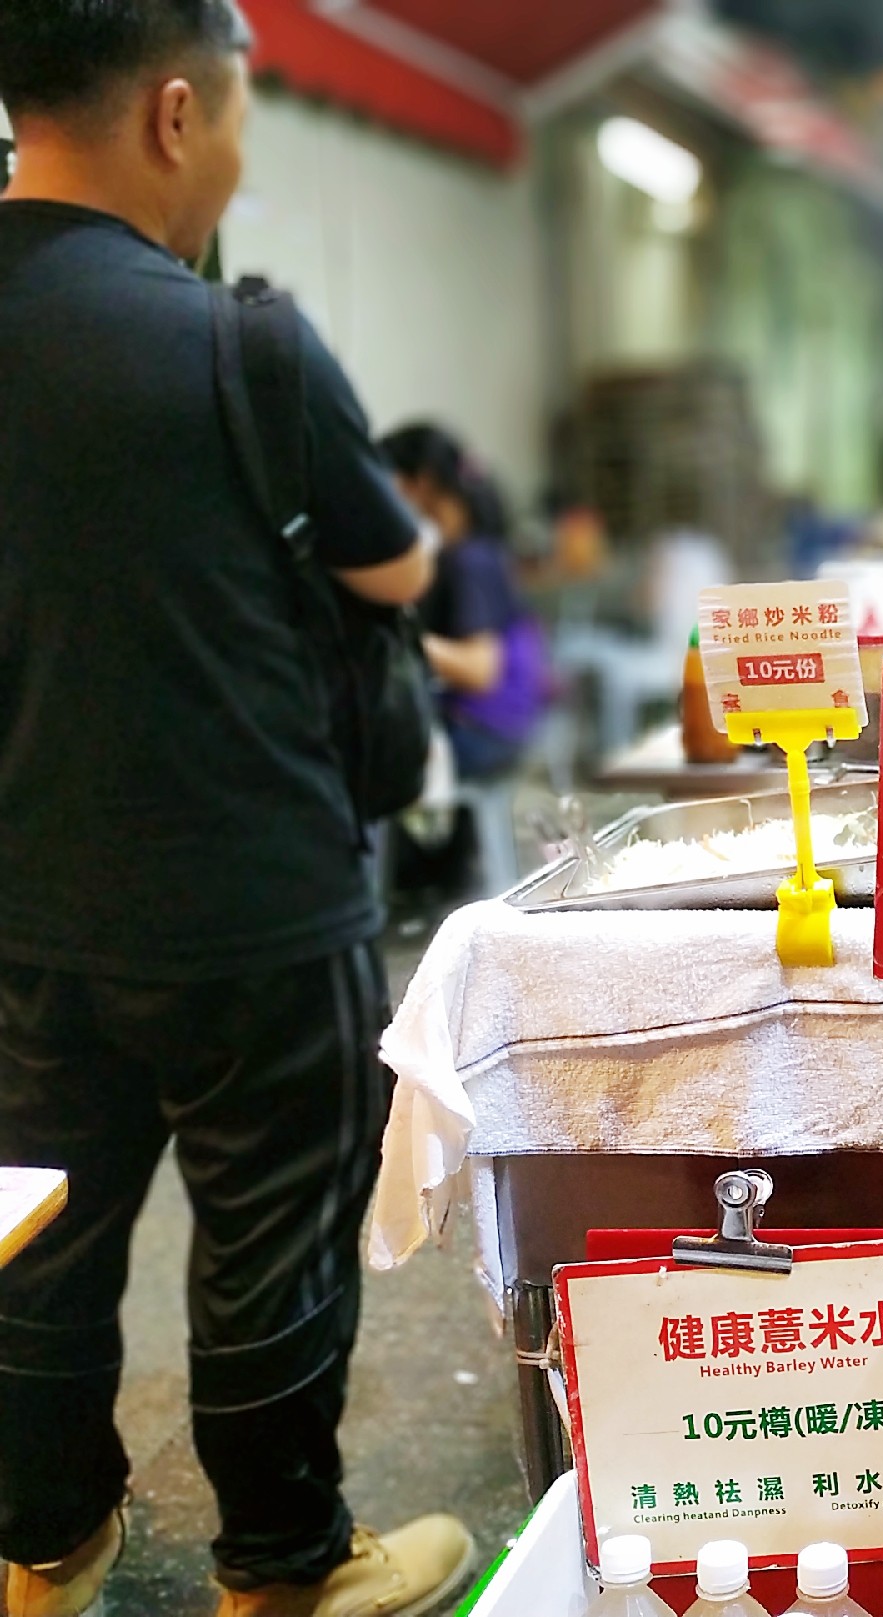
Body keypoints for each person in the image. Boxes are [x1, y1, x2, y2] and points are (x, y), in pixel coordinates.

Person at [0, 5, 475, 1615]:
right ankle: (283, 1572)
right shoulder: (237, 342)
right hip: (257, 897)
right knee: (267, 1244)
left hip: (20, 897)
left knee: (38, 1243)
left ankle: (43, 1549)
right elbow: (397, 565)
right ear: (178, 111)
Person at [379, 422, 549, 784]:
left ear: (419, 483)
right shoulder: (480, 550)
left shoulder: (469, 559)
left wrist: (398, 638)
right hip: (510, 724)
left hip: (484, 730)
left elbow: (480, 669)